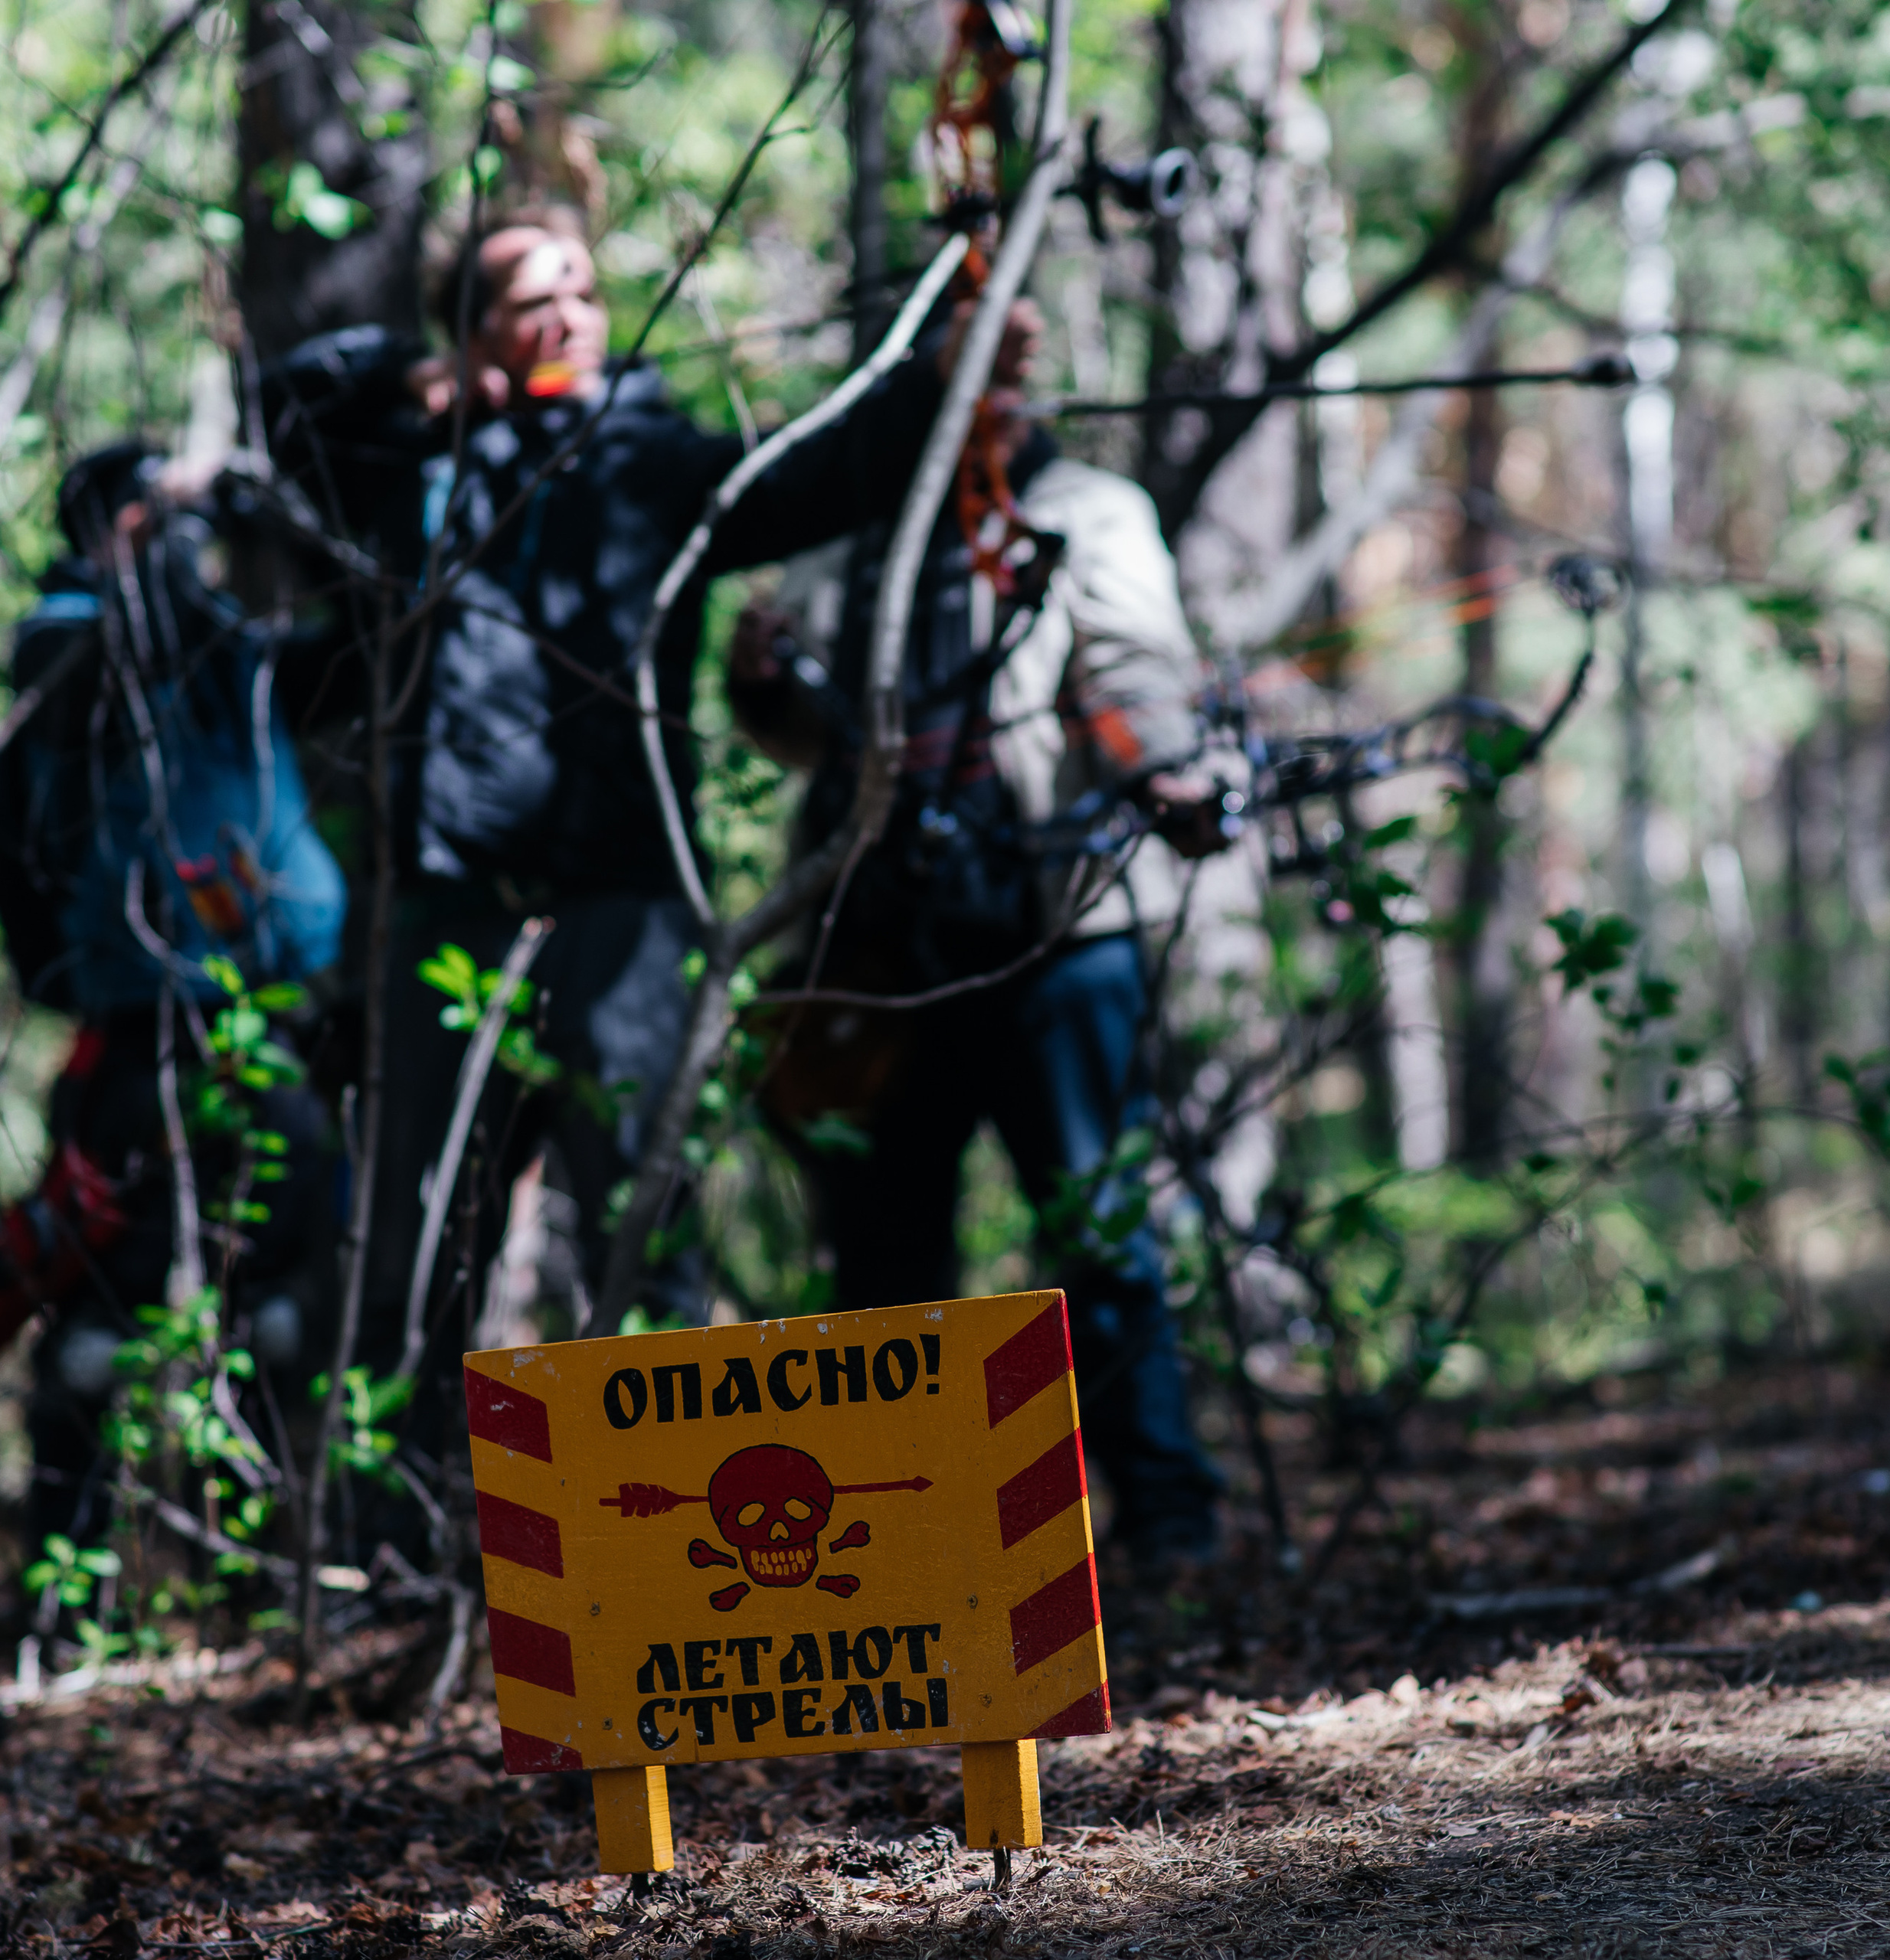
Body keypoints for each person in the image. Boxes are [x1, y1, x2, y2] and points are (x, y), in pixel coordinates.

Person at [260, 209, 997, 1412]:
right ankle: (411, 1516)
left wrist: (945, 369)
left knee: (640, 1244)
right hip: (452, 915)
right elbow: (286, 407)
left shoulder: (655, 464)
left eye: (586, 293)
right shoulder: (413, 468)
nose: (571, 318)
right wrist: (413, 382)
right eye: (533, 301)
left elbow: (830, 471)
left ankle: (662, 1521)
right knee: (416, 1251)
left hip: (625, 917)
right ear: (476, 336)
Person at [728, 306, 1234, 1567]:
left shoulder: (1085, 511)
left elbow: (1134, 675)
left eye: (1019, 355)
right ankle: (897, 1552)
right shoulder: (847, 530)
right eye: (972, 352)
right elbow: (802, 737)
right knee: (884, 1255)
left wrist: (1166, 774)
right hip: (873, 949)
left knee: (1099, 1230)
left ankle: (1168, 1526)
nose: (1003, 376)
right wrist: (763, 686)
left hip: (1054, 931)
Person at [0, 443, 345, 1552]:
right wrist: (165, 540)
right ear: (114, 525)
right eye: (155, 511)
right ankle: (65, 1583)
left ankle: (252, 1573)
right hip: (135, 1023)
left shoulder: (229, 650)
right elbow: (100, 669)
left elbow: (370, 635)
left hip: (272, 1015)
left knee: (279, 1297)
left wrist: (272, 515)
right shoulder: (63, 637)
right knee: (107, 1303)